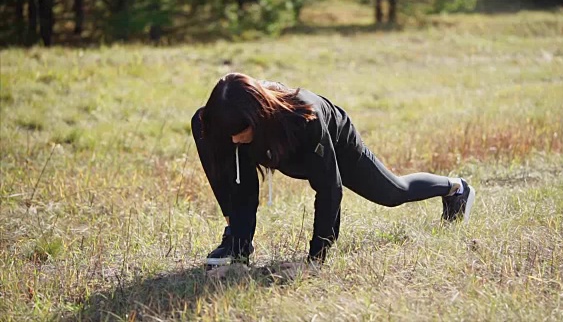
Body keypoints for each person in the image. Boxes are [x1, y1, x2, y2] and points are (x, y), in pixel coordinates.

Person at [191, 72, 475, 269]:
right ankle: (237, 244)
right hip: (274, 142)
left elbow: (329, 188)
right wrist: (239, 257)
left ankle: (456, 188)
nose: (233, 140)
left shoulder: (305, 118)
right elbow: (239, 184)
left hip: (335, 141)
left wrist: (316, 259)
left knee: (392, 193)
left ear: (259, 115)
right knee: (229, 161)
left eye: (240, 132)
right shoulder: (217, 122)